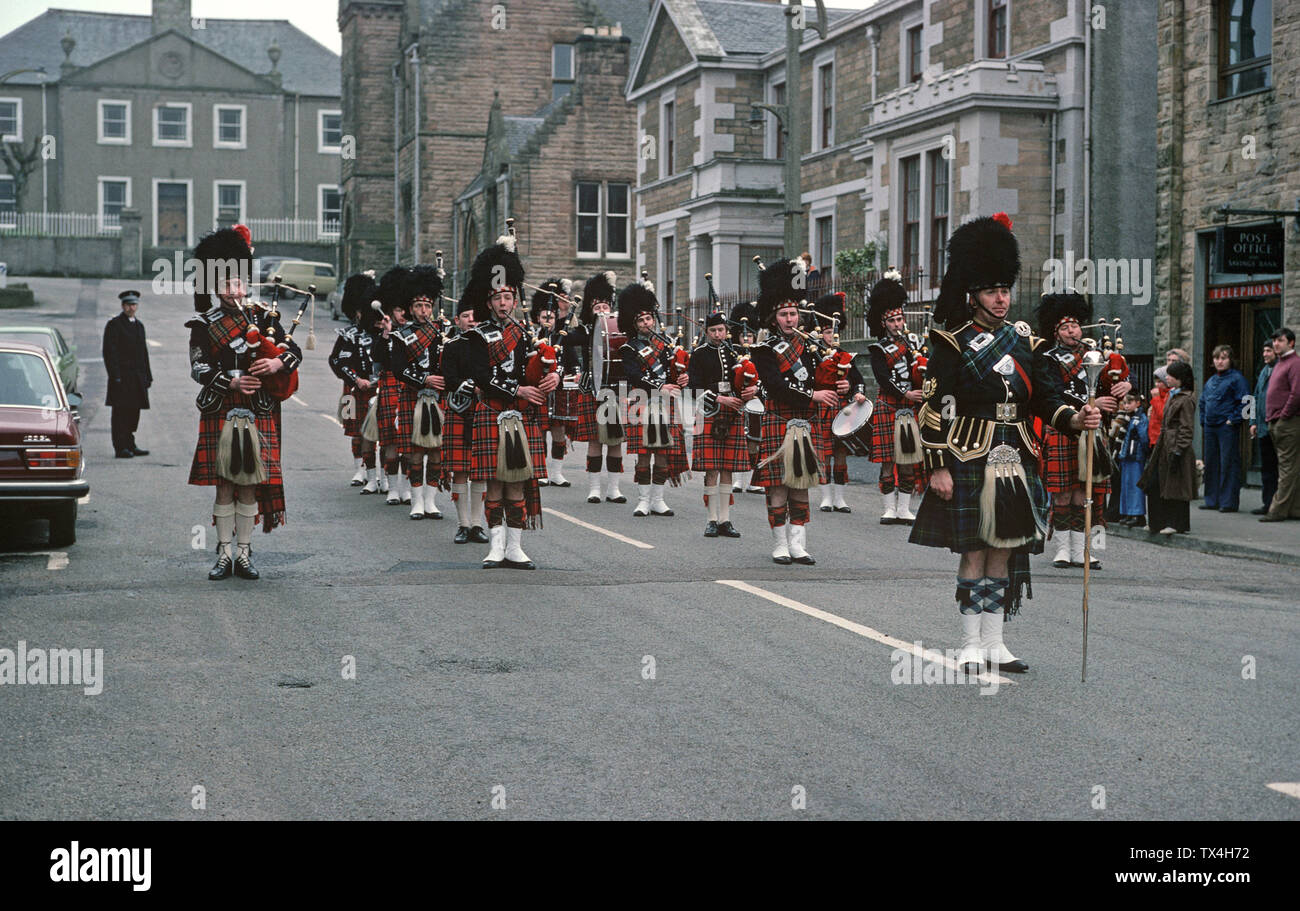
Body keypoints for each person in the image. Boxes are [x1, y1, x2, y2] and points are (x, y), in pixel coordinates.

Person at [909, 213, 1099, 674]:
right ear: (972, 294)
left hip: (1016, 453)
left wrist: (1075, 417)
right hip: (970, 451)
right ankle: (970, 642)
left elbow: (1044, 401)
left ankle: (996, 642)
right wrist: (937, 466)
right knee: (975, 548)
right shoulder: (950, 342)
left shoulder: (1023, 340)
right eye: (992, 290)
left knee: (1004, 549)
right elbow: (934, 407)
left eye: (1005, 290)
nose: (1002, 298)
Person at [186, 226, 301, 580]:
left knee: (249, 482)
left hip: (258, 410)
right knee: (224, 483)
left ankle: (245, 554)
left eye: (238, 283)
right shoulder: (203, 324)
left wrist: (276, 363)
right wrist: (232, 380)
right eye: (226, 284)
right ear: (215, 286)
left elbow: (294, 352)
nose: (234, 290)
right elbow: (198, 367)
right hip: (223, 407)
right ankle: (223, 555)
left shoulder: (266, 318)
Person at [464, 230, 557, 568]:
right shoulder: (477, 336)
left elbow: (540, 368)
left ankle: (514, 548)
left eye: (508, 297)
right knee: (494, 485)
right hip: (492, 411)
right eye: (497, 298)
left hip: (520, 417)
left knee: (516, 484)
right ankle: (494, 547)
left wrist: (552, 377)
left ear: (516, 300)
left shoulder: (526, 334)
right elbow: (480, 376)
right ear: (488, 302)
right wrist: (517, 389)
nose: (503, 303)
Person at [751, 256, 836, 565]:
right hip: (779, 420)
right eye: (785, 314)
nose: (791, 319)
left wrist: (836, 384)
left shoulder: (812, 348)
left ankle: (798, 544)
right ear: (774, 318)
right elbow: (775, 387)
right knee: (778, 486)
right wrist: (814, 394)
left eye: (794, 313)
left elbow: (820, 378)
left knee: (801, 486)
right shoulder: (763, 350)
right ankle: (779, 544)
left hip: (805, 423)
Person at [1037, 292, 1130, 569]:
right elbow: (1053, 394)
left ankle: (1082, 549)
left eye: (1075, 325)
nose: (1071, 331)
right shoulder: (1048, 358)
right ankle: (1063, 549)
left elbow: (1112, 385)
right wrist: (1090, 403)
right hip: (1063, 429)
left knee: (1085, 493)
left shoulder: (1096, 356)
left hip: (1091, 431)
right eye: (1065, 327)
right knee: (1063, 493)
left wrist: (1125, 387)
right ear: (1056, 332)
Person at [618, 278, 690, 517]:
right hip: (642, 402)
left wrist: (683, 377)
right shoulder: (628, 349)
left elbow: (674, 371)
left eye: (649, 318)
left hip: (664, 404)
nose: (646, 323)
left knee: (662, 453)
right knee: (643, 454)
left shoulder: (666, 345)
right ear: (634, 323)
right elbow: (634, 376)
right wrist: (662, 387)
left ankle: (658, 500)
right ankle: (643, 500)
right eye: (641, 320)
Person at [866, 272, 929, 524]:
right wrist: (905, 392)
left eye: (899, 319)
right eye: (891, 320)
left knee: (908, 459)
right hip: (890, 404)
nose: (896, 324)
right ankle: (888, 508)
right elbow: (882, 378)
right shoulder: (877, 349)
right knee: (887, 460)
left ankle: (904, 509)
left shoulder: (913, 343)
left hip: (909, 407)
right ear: (884, 322)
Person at [687, 309, 755, 538]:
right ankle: (711, 520)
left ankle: (725, 519)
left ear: (727, 331)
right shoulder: (698, 354)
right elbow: (693, 387)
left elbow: (749, 380)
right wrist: (719, 398)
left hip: (733, 413)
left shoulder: (736, 353)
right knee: (712, 469)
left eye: (721, 330)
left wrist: (749, 391)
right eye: (713, 330)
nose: (717, 334)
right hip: (710, 412)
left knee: (728, 468)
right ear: (707, 332)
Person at [391, 266, 448, 520]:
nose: (423, 311)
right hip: (413, 396)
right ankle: (416, 501)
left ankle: (431, 501)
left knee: (436, 450)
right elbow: (398, 369)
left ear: (432, 307)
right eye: (418, 307)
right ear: (410, 309)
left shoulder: (442, 333)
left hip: (438, 398)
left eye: (427, 306)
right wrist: (425, 379)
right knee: (415, 451)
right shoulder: (401, 336)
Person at [567, 271, 627, 505]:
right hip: (592, 387)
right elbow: (568, 340)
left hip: (613, 389)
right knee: (594, 440)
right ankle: (594, 489)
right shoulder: (584, 329)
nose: (601, 309)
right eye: (597, 306)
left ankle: (613, 489)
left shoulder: (618, 329)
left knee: (614, 441)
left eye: (605, 305)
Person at [812, 292, 867, 514]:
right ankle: (826, 497)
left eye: (834, 332)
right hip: (823, 409)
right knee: (824, 454)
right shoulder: (813, 355)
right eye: (827, 332)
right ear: (820, 333)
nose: (831, 336)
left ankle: (841, 498)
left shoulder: (846, 355)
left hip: (843, 410)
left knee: (841, 453)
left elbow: (859, 380)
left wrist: (855, 392)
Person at [440, 296, 489, 544]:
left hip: (483, 411)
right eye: (467, 316)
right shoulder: (452, 346)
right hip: (459, 409)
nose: (472, 320)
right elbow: (449, 379)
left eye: (475, 316)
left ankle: (477, 525)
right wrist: (473, 387)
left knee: (479, 471)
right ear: (458, 320)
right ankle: (463, 525)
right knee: (460, 470)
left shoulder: (490, 344)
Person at [328, 271, 379, 487]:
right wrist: (355, 379)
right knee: (356, 430)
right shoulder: (348, 334)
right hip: (354, 388)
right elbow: (336, 360)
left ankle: (378, 471)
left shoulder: (380, 332)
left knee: (378, 430)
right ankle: (359, 468)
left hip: (377, 386)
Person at [1140, 359, 1197, 534]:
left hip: (1175, 445)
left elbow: (1186, 427)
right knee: (1157, 483)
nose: (1168, 378)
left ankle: (1177, 523)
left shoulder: (1186, 398)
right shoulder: (1174, 395)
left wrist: (1179, 448)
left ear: (1180, 378)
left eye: (1172, 375)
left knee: (1176, 485)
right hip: (1164, 444)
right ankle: (1158, 521)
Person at [371, 266, 413, 504]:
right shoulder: (385, 335)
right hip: (389, 385)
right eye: (398, 309)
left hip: (408, 387)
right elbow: (377, 361)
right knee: (389, 440)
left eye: (405, 309)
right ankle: (392, 488)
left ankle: (405, 486)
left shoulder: (416, 332)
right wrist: (386, 334)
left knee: (407, 442)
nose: (402, 314)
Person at [531, 278, 575, 487]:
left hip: (558, 390)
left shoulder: (564, 338)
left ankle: (556, 472)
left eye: (551, 317)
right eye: (544, 317)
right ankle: (540, 471)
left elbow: (573, 365)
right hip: (538, 390)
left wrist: (567, 374)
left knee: (558, 432)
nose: (548, 320)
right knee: (539, 432)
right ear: (538, 318)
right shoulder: (531, 338)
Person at [103, 289, 153, 458]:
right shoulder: (115, 325)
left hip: (137, 378)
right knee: (120, 414)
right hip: (121, 378)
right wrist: (115, 375)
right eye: (128, 305)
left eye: (134, 304)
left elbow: (143, 353)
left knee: (134, 412)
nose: (131, 308)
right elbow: (110, 352)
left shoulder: (139, 326)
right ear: (123, 306)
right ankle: (120, 447)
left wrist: (148, 376)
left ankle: (130, 443)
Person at [1198, 344, 1249, 512]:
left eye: (1223, 358)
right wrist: (1203, 421)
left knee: (1228, 463)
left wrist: (1234, 421)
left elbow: (1249, 403)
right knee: (1211, 463)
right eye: (1217, 358)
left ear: (1230, 360)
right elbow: (1203, 402)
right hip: (1210, 426)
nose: (1219, 361)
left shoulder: (1237, 379)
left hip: (1226, 427)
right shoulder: (1211, 380)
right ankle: (1212, 500)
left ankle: (1228, 502)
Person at [1261, 327, 1300, 521]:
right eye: (1274, 340)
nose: (1276, 344)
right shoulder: (1280, 363)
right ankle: (1295, 508)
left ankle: (1277, 510)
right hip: (1276, 421)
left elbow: (1296, 393)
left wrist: (1284, 416)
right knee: (1292, 466)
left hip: (1287, 422)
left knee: (1286, 467)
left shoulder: (1294, 363)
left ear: (1291, 343)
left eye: (1280, 341)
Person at [1249, 343, 1277, 514]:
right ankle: (1267, 503)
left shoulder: (1280, 370)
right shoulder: (1263, 371)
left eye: (1269, 351)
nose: (1265, 354)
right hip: (1261, 427)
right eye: (1264, 350)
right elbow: (1254, 397)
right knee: (1267, 468)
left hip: (1275, 426)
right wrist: (1252, 421)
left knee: (1277, 468)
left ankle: (1276, 504)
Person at [1113, 392, 1148, 527]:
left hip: (1135, 455)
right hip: (1127, 455)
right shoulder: (1129, 418)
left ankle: (1137, 513)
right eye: (1125, 403)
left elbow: (1144, 437)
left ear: (1138, 403)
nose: (1126, 406)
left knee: (1134, 486)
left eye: (1129, 403)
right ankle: (1128, 512)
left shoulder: (1140, 418)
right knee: (1126, 486)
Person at [1148, 365, 1169, 447]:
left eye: (1160, 382)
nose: (1157, 384)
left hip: (1160, 439)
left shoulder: (1168, 394)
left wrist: (1155, 398)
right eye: (1156, 382)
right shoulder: (1160, 393)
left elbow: (1162, 414)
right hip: (1154, 438)